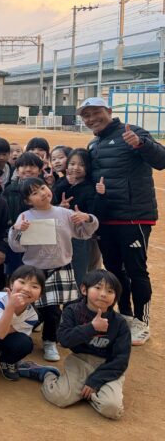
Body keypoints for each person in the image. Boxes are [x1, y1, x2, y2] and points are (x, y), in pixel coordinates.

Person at [79, 97, 165, 345]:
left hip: (133, 217)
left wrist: (141, 144)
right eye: (86, 116)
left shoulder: (132, 132)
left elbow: (161, 161)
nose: (91, 119)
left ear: (108, 111)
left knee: (136, 271)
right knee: (115, 272)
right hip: (106, 219)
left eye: (95, 112)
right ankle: (125, 316)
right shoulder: (93, 144)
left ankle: (142, 322)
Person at [9, 177, 99, 361]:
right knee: (29, 305)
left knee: (53, 310)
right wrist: (17, 230)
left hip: (60, 268)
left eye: (43, 188)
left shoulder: (64, 213)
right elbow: (16, 247)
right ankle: (23, 334)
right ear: (28, 201)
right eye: (35, 193)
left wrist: (88, 218)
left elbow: (84, 233)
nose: (42, 193)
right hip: (34, 270)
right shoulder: (25, 217)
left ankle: (50, 341)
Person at [41, 270, 130, 420]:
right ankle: (47, 374)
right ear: (84, 289)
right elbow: (64, 340)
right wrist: (92, 327)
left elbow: (121, 359)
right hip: (80, 360)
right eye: (98, 288)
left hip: (107, 366)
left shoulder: (120, 323)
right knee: (60, 397)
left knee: (112, 409)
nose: (103, 294)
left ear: (116, 297)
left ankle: (87, 393)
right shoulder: (72, 311)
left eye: (110, 291)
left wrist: (95, 381)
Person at [51, 148, 105, 286]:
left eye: (82, 165)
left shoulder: (90, 187)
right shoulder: (62, 183)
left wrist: (100, 196)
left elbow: (97, 212)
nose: (76, 168)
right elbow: (50, 203)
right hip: (61, 237)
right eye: (72, 163)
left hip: (83, 238)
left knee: (83, 275)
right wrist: (60, 205)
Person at [3, 151, 45, 278]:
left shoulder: (45, 190)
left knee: (37, 276)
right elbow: (5, 217)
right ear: (17, 170)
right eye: (23, 166)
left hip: (39, 242)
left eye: (32, 166)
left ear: (40, 170)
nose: (28, 169)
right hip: (16, 240)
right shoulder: (9, 190)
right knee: (16, 275)